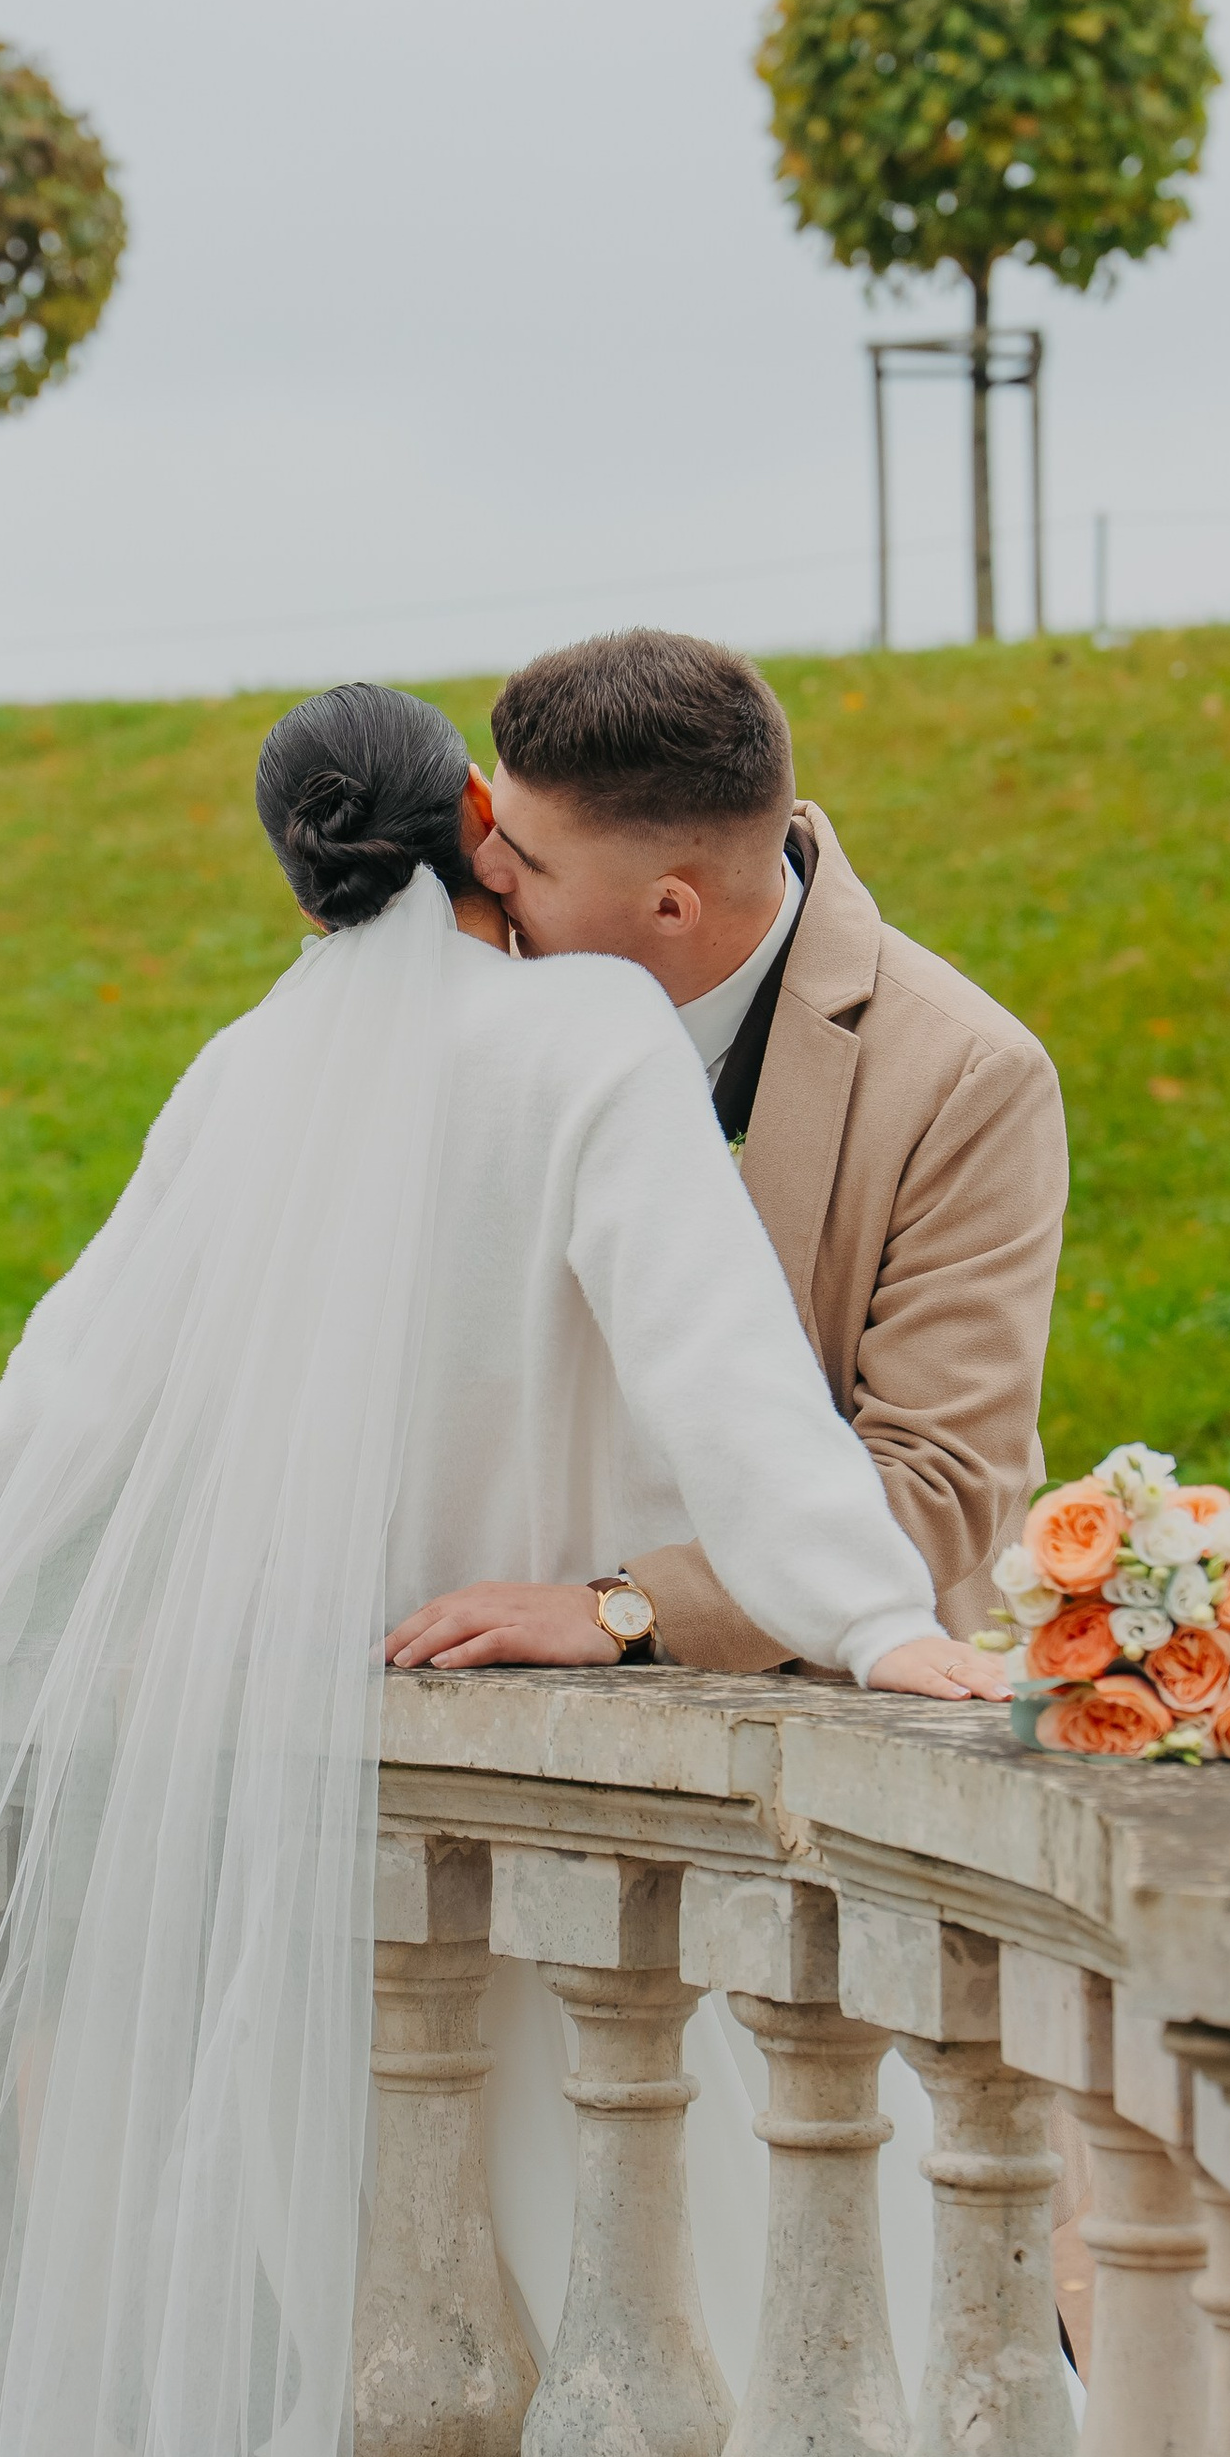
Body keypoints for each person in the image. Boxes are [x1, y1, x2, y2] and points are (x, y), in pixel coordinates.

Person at [0, 682, 1002, 2457]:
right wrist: (877, 1628)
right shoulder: (586, 1040)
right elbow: (721, 1377)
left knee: (410, 2359)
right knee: (668, 2346)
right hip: (540, 1836)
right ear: (477, 840)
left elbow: (69, 1379)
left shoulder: (240, 1072)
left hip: (337, 1854)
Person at [384, 626, 1068, 1681]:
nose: (479, 874)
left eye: (521, 859)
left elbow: (936, 1484)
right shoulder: (483, 1001)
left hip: (820, 1718)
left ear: (671, 904)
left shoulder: (966, 1079)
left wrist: (621, 1608)